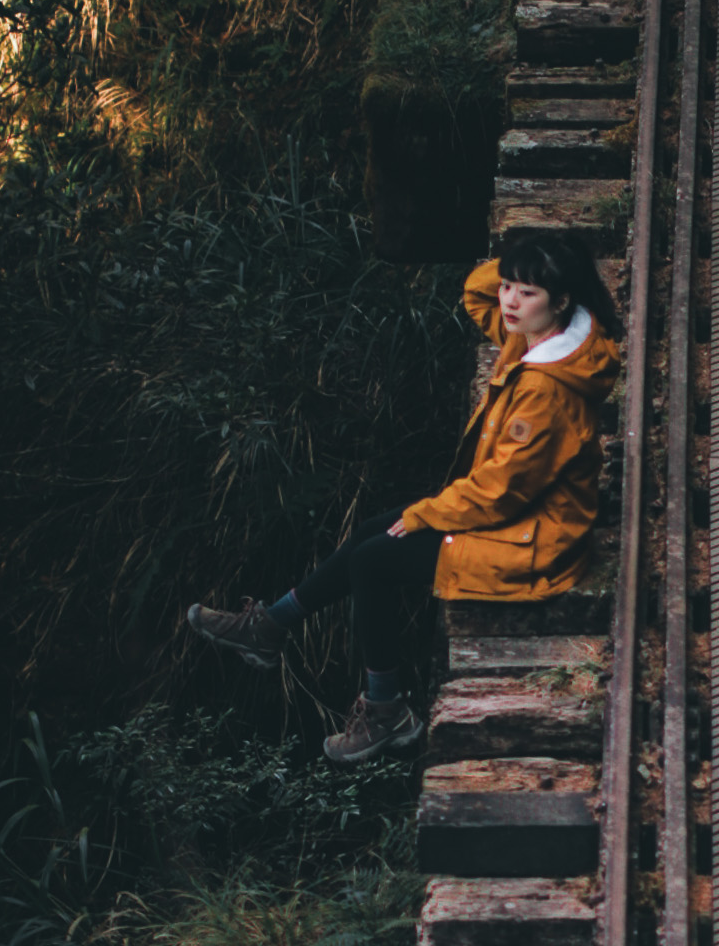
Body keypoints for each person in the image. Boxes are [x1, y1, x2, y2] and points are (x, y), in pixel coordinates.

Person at [187, 230, 622, 765]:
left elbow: (501, 494)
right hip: (518, 514)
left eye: (526, 292)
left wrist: (423, 514)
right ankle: (269, 627)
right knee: (373, 529)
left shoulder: (547, 387)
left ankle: (386, 707)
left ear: (561, 301)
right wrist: (527, 259)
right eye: (508, 285)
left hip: (535, 537)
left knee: (374, 560)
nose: (507, 300)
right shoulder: (531, 338)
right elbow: (474, 292)